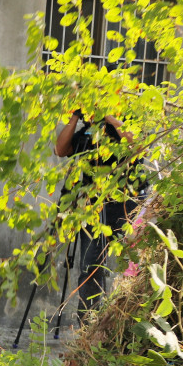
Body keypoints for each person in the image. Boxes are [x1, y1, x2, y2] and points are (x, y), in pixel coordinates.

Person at [54, 108, 143, 318]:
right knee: (90, 267)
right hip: (94, 208)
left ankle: (130, 321)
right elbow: (60, 149)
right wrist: (75, 117)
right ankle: (88, 328)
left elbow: (136, 145)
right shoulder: (89, 133)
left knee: (133, 267)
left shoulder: (128, 120)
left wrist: (109, 115)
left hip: (126, 203)